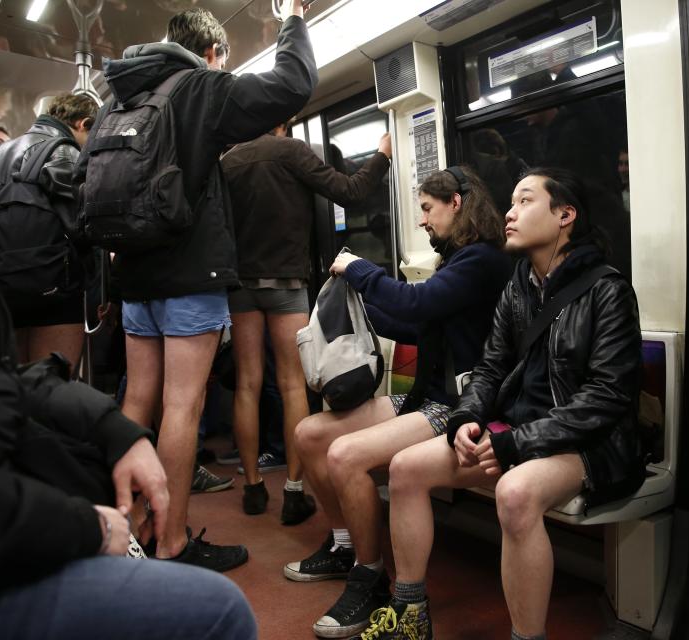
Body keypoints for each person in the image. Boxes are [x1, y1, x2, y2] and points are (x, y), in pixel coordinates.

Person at [74, 2, 317, 572]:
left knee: (138, 399)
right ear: (212, 53)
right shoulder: (201, 88)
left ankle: (123, 527)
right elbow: (293, 82)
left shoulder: (120, 97)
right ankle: (173, 539)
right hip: (190, 274)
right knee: (184, 405)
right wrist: (295, 19)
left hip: (136, 273)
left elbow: (82, 176)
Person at [356, 167, 645, 640]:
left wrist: (519, 444)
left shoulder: (607, 290)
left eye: (525, 201)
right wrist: (469, 417)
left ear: (565, 215)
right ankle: (412, 613)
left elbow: (607, 397)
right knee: (406, 468)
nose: (509, 213)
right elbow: (490, 367)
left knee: (515, 494)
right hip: (521, 431)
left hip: (592, 443)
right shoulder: (518, 287)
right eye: (510, 202)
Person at [0, 233, 257, 640]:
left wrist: (114, 428)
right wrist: (88, 526)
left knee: (141, 397)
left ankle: (143, 530)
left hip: (136, 284)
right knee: (220, 609)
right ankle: (171, 541)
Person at [287, 166, 512, 637]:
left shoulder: (484, 260)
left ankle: (370, 577)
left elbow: (418, 303)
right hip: (425, 398)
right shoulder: (456, 260)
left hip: (460, 404)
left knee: (345, 456)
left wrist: (358, 268)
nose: (423, 221)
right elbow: (419, 325)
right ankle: (346, 545)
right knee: (309, 435)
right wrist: (360, 311)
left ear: (456, 203)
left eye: (428, 209)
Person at [220, 122, 392, 519]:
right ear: (282, 122)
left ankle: (252, 487)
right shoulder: (291, 151)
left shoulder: (227, 160)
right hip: (285, 280)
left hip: (239, 284)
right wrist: (381, 155)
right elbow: (350, 191)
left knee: (247, 383)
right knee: (292, 382)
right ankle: (294, 491)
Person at [0, 94, 96, 370]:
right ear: (82, 124)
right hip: (53, 287)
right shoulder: (63, 149)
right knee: (52, 386)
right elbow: (80, 222)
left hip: (0, 283)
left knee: (15, 383)